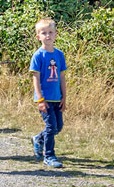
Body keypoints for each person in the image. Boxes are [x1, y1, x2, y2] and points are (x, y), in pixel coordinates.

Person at [30, 18, 67, 169]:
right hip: (44, 98)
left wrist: (64, 97)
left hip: (56, 97)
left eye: (50, 32)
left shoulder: (59, 55)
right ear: (38, 36)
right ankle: (49, 155)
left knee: (58, 127)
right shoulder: (38, 55)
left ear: (56, 34)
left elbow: (62, 77)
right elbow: (36, 78)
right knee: (51, 126)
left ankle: (39, 138)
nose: (48, 36)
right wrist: (40, 99)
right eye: (44, 33)